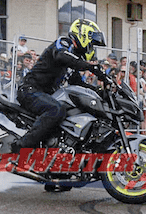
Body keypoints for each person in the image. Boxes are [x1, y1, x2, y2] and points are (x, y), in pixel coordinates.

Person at [11, 19, 107, 166]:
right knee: (56, 109)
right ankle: (21, 147)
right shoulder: (64, 43)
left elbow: (78, 82)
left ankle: (55, 168)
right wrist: (90, 67)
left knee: (70, 114)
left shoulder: (74, 59)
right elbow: (62, 56)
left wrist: (99, 92)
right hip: (30, 90)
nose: (91, 47)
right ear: (83, 35)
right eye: (91, 42)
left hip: (45, 94)